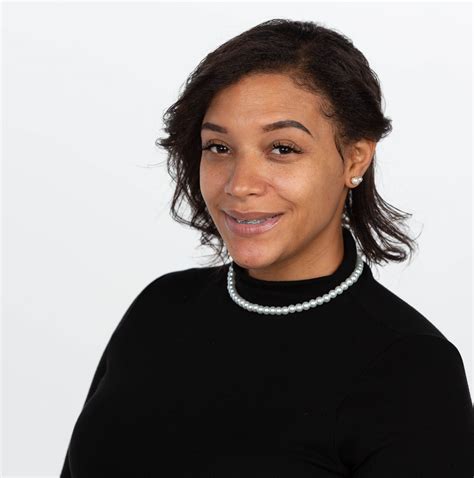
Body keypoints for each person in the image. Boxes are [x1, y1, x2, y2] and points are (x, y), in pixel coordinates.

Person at [60, 18, 473, 477]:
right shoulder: (159, 309)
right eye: (219, 147)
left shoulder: (411, 368)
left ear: (354, 159)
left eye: (282, 148)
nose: (240, 185)